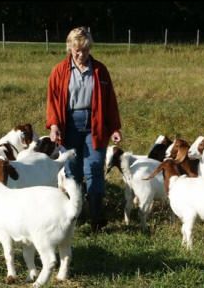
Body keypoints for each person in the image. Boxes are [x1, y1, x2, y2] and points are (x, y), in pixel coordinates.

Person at [46, 26, 122, 232]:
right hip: (68, 124)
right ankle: (74, 216)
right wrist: (54, 125)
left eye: (86, 50)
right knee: (72, 170)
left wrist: (114, 127)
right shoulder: (59, 71)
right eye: (77, 50)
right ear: (69, 48)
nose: (81, 55)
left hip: (95, 124)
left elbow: (110, 101)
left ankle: (97, 218)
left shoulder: (100, 70)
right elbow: (52, 101)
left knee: (95, 168)